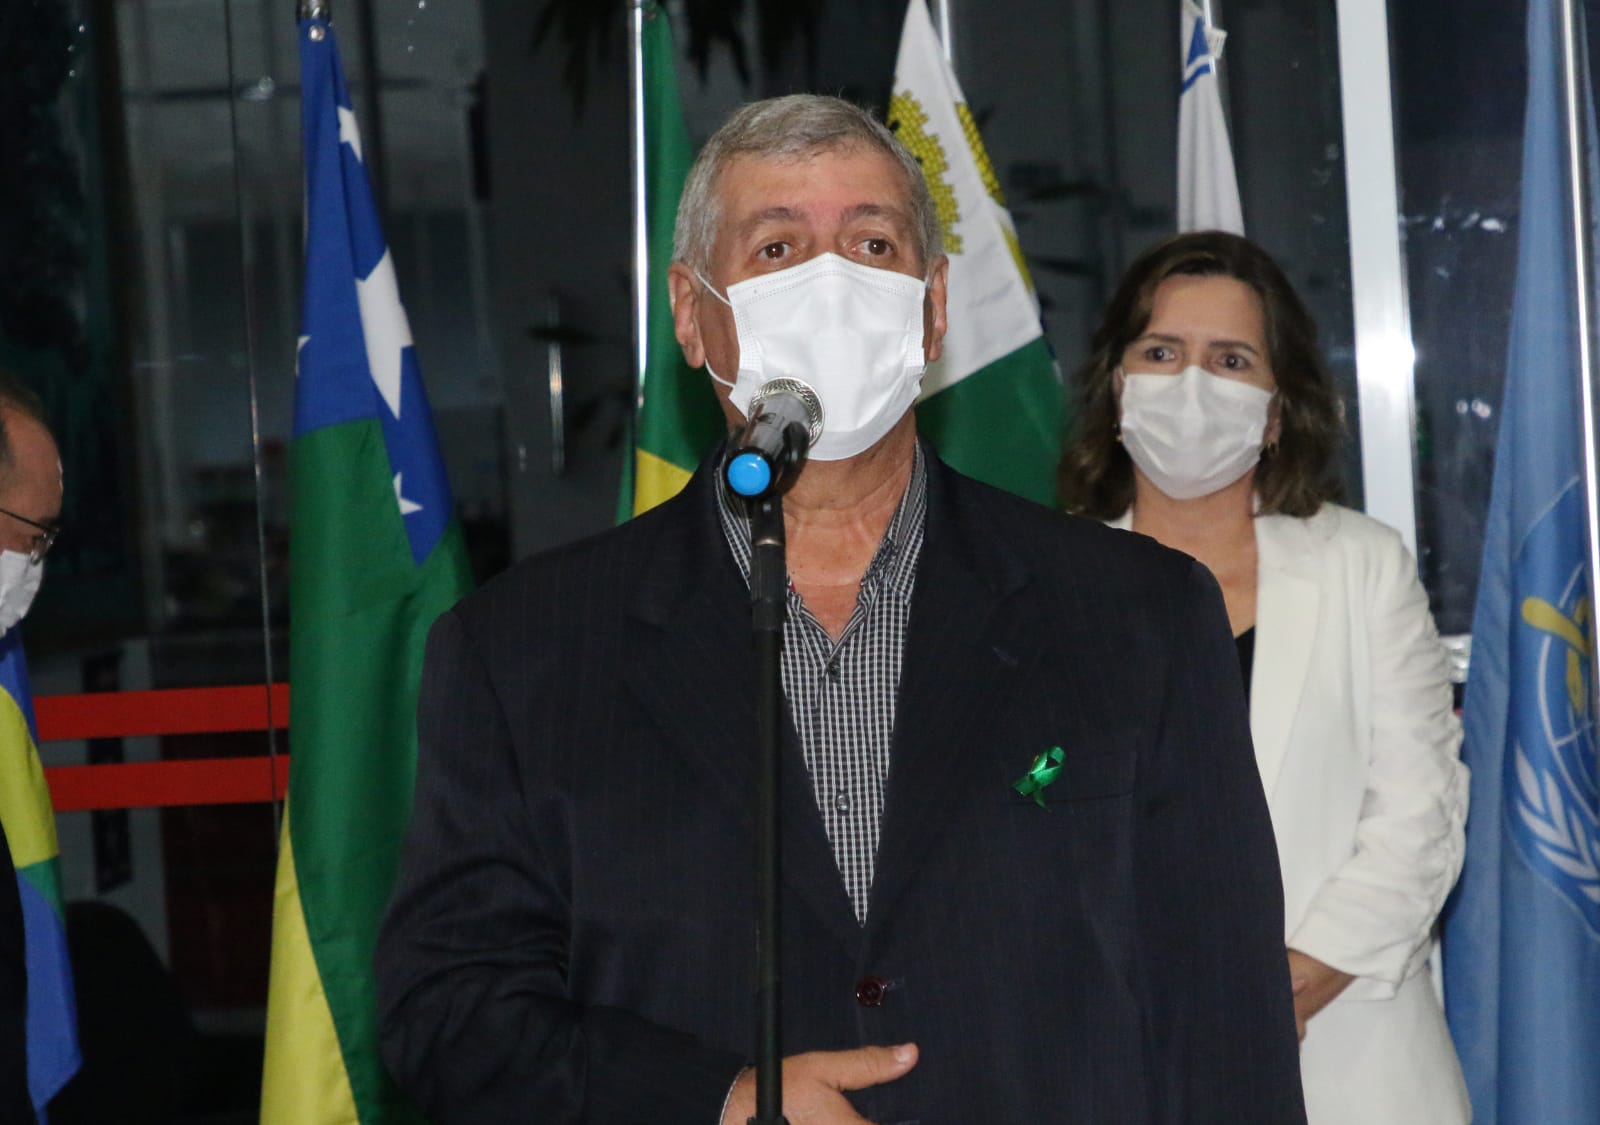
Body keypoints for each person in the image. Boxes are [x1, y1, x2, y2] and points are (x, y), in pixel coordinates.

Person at [376, 96, 1305, 1124]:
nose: (832, 286)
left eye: (872, 245)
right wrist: (721, 1100)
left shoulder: (1137, 613)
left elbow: (1225, 1017)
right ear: (689, 312)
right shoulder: (523, 649)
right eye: (777, 247)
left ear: (933, 307)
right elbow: (447, 1012)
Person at [1059, 230, 1470, 1124]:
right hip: (1125, 1061)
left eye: (1231, 359)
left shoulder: (1362, 565)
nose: (1191, 383)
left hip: (1350, 1059)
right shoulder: (1050, 585)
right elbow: (1030, 799)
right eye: (1161, 352)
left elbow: (1421, 811)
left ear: (1278, 412)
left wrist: (1277, 987)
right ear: (1118, 386)